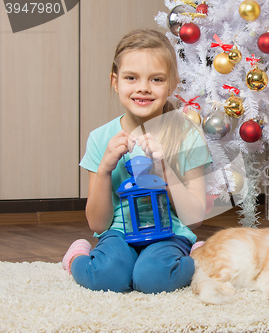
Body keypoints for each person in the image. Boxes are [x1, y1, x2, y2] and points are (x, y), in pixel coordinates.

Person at [62, 29, 211, 293]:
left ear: (172, 84)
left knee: (153, 278)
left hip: (169, 233)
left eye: (156, 79)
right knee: (107, 277)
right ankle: (77, 256)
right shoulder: (100, 139)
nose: (143, 87)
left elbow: (195, 218)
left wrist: (165, 171)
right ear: (115, 81)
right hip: (118, 232)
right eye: (131, 77)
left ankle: (198, 255)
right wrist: (105, 168)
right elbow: (97, 224)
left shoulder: (186, 134)